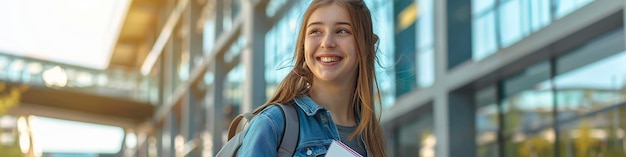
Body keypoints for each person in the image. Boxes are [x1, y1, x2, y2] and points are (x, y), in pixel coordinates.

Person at [238, 0, 387, 156]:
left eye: (342, 31)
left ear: (364, 44)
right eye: (316, 31)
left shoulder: (371, 138)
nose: (327, 42)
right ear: (303, 45)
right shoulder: (273, 124)